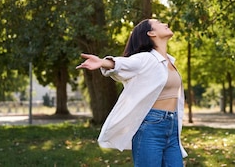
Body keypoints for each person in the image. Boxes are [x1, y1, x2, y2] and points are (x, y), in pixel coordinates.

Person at [76, 19, 187, 166]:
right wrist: (104, 62)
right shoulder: (146, 58)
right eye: (158, 22)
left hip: (172, 126)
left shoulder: (169, 61)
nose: (164, 23)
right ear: (151, 33)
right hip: (151, 126)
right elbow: (125, 64)